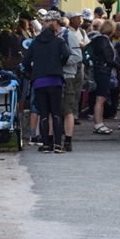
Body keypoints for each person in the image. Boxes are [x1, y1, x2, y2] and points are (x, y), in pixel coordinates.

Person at [22, 10, 72, 154]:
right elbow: (66, 54)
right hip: (55, 80)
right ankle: (58, 144)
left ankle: (45, 145)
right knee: (56, 113)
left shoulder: (35, 42)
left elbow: (25, 61)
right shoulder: (59, 41)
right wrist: (59, 65)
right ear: (55, 31)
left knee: (43, 113)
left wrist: (33, 71)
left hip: (39, 81)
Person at [60, 13, 86, 153]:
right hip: (65, 72)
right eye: (77, 18)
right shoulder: (66, 33)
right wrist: (60, 63)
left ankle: (73, 116)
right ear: (71, 20)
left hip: (75, 68)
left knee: (75, 94)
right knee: (65, 101)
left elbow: (81, 51)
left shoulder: (81, 32)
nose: (80, 20)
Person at [89, 21, 120, 135]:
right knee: (101, 98)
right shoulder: (103, 40)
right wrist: (119, 67)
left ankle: (99, 123)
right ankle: (98, 123)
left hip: (100, 70)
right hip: (103, 70)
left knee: (101, 98)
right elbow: (108, 58)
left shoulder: (99, 39)